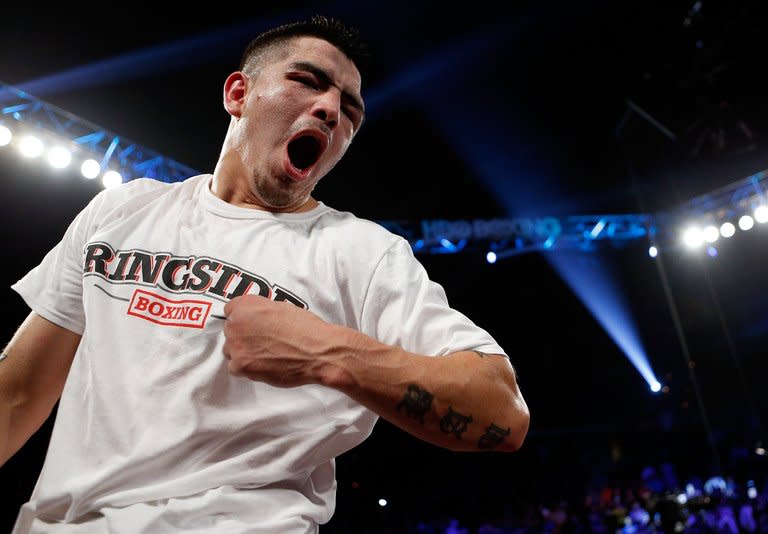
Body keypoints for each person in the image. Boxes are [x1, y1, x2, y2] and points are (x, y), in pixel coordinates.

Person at [0, 14, 530, 533]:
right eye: (307, 82)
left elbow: (500, 411)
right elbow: (17, 393)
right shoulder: (121, 210)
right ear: (238, 94)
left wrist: (329, 353)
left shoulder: (363, 252)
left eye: (350, 111)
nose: (329, 111)